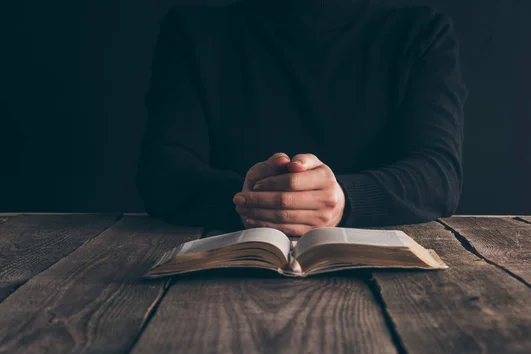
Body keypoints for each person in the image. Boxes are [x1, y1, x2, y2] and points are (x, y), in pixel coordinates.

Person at [136, 0, 468, 236]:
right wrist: (254, 202)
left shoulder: (420, 33)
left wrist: (344, 200)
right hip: (224, 265)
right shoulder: (194, 32)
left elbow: (438, 174)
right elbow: (163, 170)